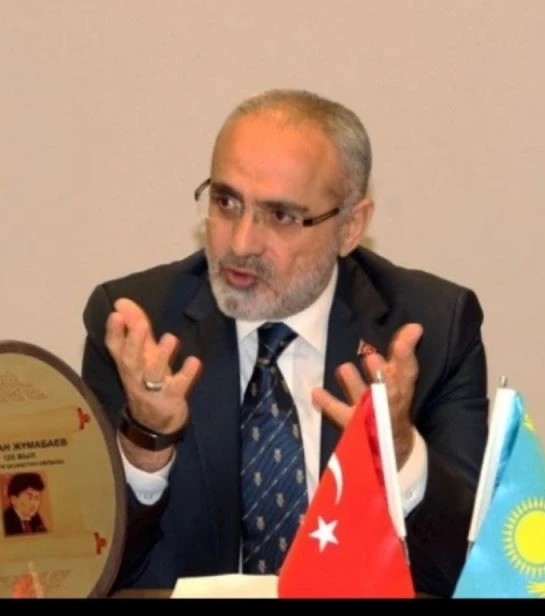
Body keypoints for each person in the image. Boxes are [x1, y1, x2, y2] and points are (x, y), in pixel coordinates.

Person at [80, 89, 489, 598]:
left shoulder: (433, 329)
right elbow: (93, 567)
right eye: (226, 203)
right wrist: (146, 440)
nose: (241, 243)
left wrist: (400, 452)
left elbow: (470, 568)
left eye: (281, 216)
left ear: (351, 227)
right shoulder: (138, 328)